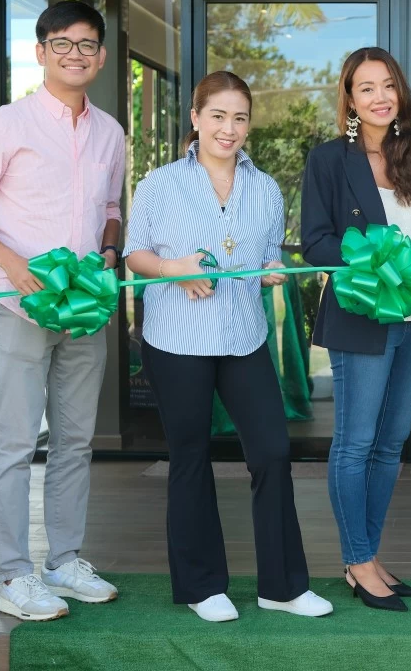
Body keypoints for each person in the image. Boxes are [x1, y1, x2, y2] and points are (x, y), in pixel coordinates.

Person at [123, 71, 331, 622]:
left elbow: (264, 256)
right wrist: (173, 269)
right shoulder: (160, 183)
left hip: (243, 338)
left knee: (272, 453)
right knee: (190, 457)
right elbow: (134, 254)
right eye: (218, 115)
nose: (229, 128)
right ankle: (201, 586)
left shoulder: (265, 188)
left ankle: (281, 586)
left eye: (240, 117)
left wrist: (271, 272)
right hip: (177, 340)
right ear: (195, 118)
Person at [0, 1, 123, 621]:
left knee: (74, 441)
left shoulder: (111, 132)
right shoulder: (5, 124)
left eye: (88, 44)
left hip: (83, 314)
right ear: (42, 51)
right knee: (15, 443)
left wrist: (105, 252)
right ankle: (16, 574)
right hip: (16, 309)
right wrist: (13, 266)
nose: (76, 53)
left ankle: (64, 560)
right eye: (63, 43)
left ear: (100, 56)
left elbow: (111, 211)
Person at [301, 47, 411, 612]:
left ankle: (367, 555)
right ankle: (358, 560)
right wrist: (376, 259)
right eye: (365, 88)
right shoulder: (328, 160)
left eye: (387, 85)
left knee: (390, 447)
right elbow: (316, 240)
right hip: (361, 318)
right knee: (355, 444)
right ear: (349, 98)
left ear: (401, 93)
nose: (379, 97)